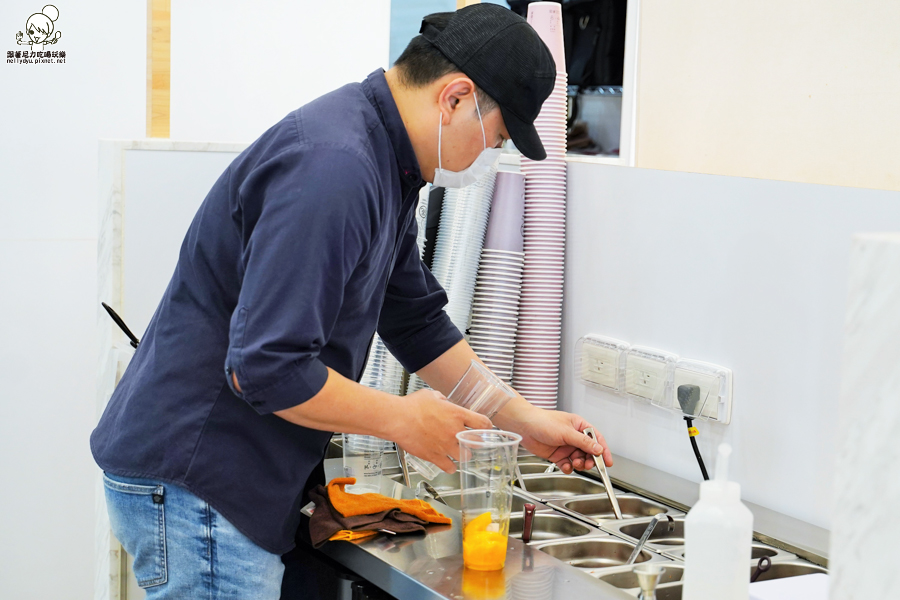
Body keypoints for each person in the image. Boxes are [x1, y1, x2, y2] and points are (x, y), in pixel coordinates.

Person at [91, 5, 613, 599]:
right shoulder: (335, 168)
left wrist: (520, 419)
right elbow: (266, 367)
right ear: (455, 98)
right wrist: (402, 420)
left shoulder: (387, 162)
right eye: (494, 138)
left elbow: (416, 322)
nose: (486, 158)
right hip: (202, 483)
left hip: (223, 480)